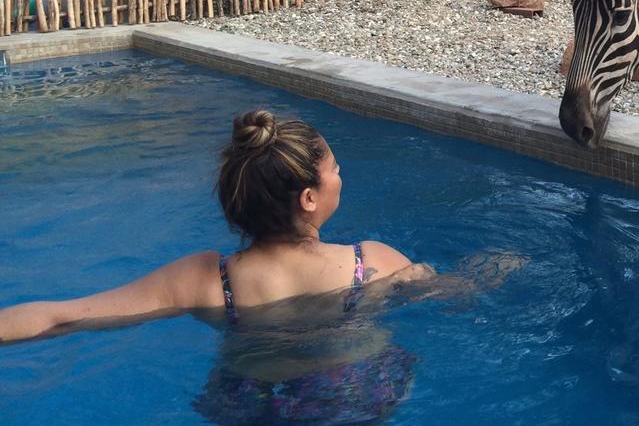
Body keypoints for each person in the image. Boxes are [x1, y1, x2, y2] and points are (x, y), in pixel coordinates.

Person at [0, 109, 521, 421]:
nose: (342, 175)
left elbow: (63, 316)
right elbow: (459, 294)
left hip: (251, 402)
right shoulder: (372, 262)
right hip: (347, 396)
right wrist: (499, 265)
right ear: (310, 199)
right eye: (335, 169)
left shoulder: (207, 279)